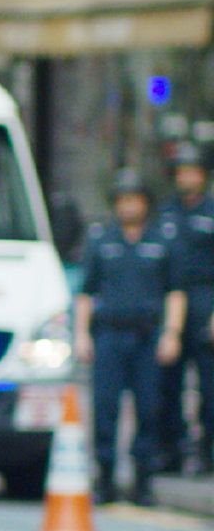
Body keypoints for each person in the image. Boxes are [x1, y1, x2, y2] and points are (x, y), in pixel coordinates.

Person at [74, 170, 187, 507]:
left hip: (148, 335)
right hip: (109, 334)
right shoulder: (101, 240)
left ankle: (143, 481)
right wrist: (81, 335)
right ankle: (105, 477)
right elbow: (86, 293)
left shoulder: (163, 240)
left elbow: (175, 292)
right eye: (123, 200)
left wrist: (172, 333)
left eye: (135, 200)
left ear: (146, 204)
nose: (129, 207)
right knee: (105, 408)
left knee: (149, 408)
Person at [157, 142, 214, 475]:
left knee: (209, 386)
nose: (186, 177)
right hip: (172, 302)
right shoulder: (165, 214)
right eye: (181, 172)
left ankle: (206, 451)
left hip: (206, 299)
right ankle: (171, 450)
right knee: (167, 383)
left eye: (192, 171)